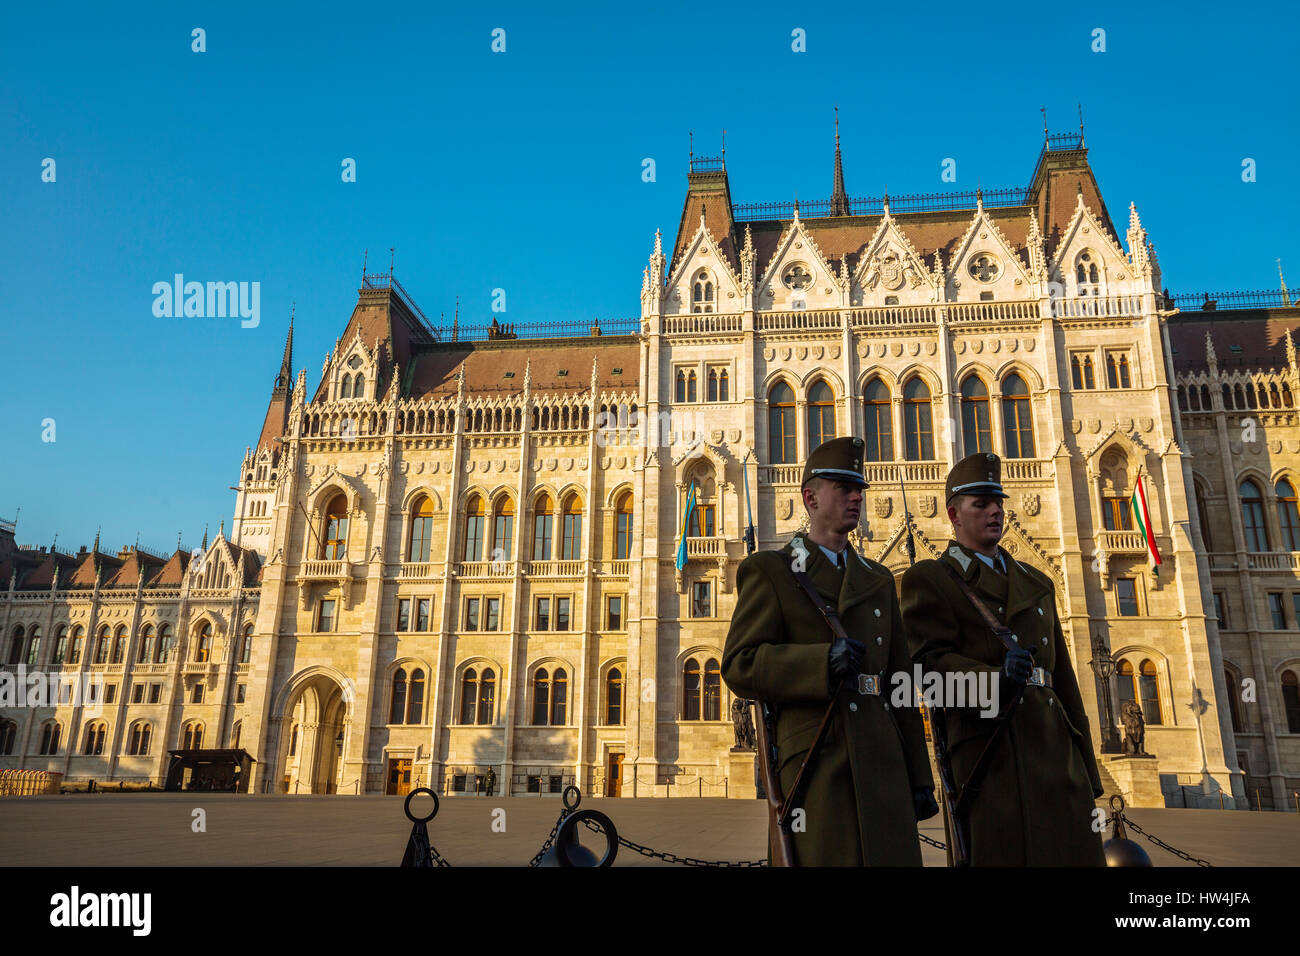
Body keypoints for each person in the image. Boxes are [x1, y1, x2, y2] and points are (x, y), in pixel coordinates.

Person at [722, 436, 937, 866]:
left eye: (860, 487)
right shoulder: (773, 572)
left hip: (882, 762)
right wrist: (819, 664)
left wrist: (918, 777)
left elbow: (901, 685)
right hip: (816, 766)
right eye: (843, 487)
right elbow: (740, 664)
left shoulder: (877, 580)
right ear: (811, 498)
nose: (857, 496)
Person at [900, 452, 1106, 865]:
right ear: (954, 514)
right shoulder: (932, 580)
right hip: (991, 757)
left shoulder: (1037, 582)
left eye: (998, 502)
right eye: (981, 504)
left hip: (1056, 755)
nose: (995, 511)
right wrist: (994, 681)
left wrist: (1086, 768)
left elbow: (1064, 681)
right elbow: (929, 669)